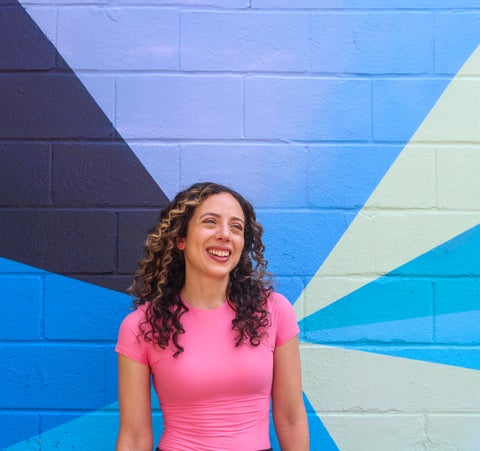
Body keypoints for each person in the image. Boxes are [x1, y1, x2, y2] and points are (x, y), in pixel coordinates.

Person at [115, 182, 309, 451]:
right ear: (180, 239)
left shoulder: (274, 311)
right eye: (210, 222)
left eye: (236, 227)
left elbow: (291, 418)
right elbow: (134, 437)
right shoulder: (141, 326)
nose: (225, 235)